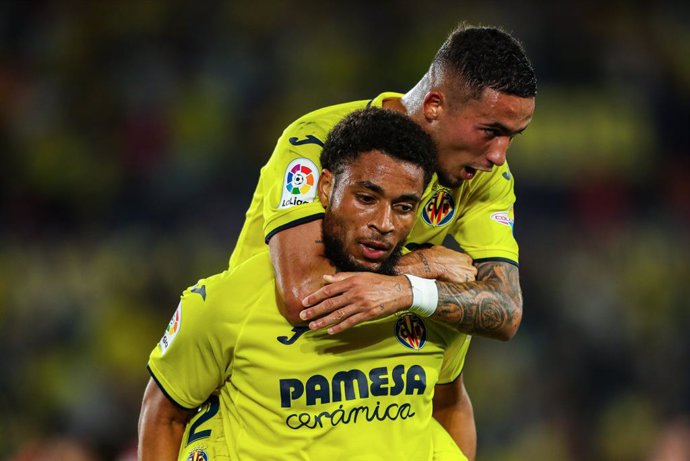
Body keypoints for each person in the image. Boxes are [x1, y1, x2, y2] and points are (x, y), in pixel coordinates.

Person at [225, 23, 537, 459]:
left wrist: (406, 289)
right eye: (490, 130)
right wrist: (422, 265)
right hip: (266, 382)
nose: (499, 156)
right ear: (433, 106)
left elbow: (506, 310)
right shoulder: (316, 142)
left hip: (365, 398)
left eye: (511, 137)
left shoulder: (485, 177)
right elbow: (304, 293)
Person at [138, 108, 472, 460]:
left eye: (404, 207)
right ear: (326, 188)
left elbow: (450, 406)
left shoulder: (428, 303)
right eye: (366, 199)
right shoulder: (228, 302)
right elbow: (165, 416)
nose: (384, 223)